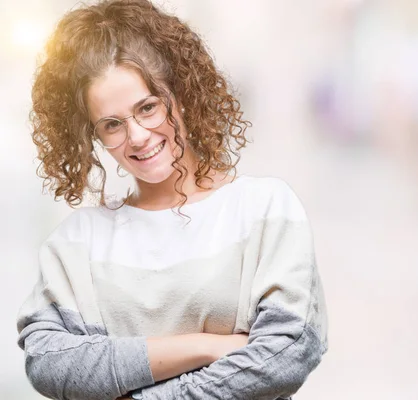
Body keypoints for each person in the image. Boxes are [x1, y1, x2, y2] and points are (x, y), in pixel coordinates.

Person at [15, 1, 328, 399]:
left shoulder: (264, 210)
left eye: (148, 107)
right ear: (93, 136)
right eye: (112, 125)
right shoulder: (77, 243)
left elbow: (286, 353)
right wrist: (206, 346)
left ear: (180, 92)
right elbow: (49, 363)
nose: (138, 136)